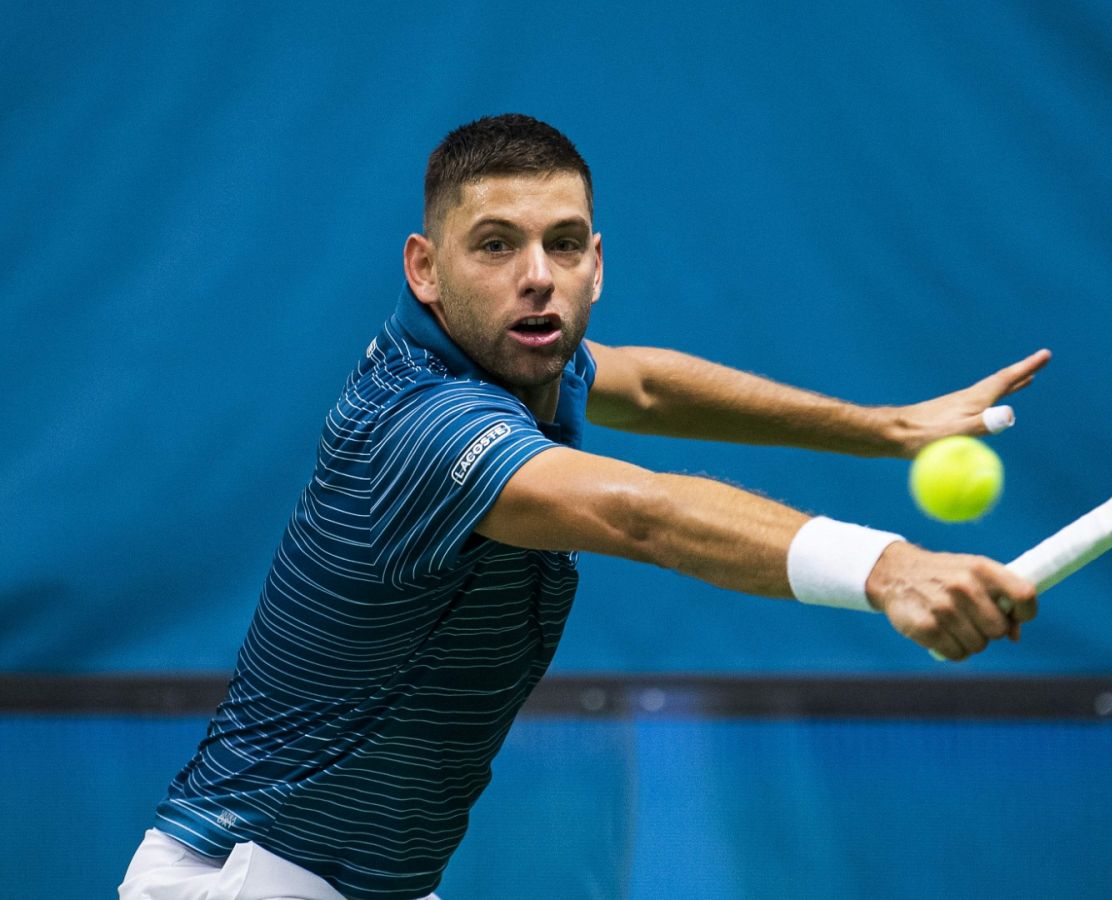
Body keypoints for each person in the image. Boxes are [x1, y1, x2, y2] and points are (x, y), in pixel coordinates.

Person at [119, 113, 1050, 900]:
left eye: (563, 243)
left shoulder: (528, 361)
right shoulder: (421, 422)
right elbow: (641, 513)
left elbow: (643, 386)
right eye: (495, 245)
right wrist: (885, 568)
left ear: (596, 263)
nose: (537, 275)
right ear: (425, 268)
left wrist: (884, 429)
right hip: (238, 880)